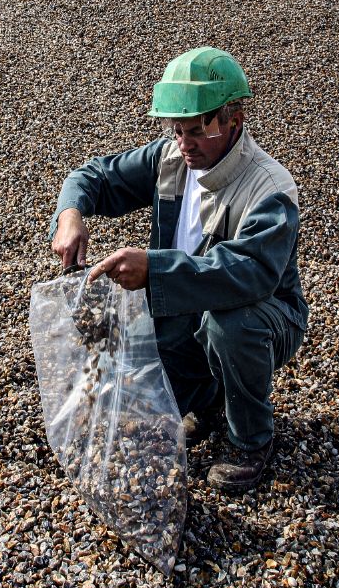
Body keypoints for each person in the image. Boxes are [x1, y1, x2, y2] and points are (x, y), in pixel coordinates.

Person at [51, 47, 307, 491]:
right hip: (186, 314)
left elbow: (250, 273)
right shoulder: (171, 158)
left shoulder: (270, 187)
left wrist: (154, 270)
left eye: (197, 130)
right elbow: (91, 178)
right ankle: (207, 402)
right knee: (139, 413)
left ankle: (251, 439)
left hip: (263, 317)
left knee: (230, 325)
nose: (184, 143)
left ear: (233, 120)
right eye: (176, 129)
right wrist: (71, 214)